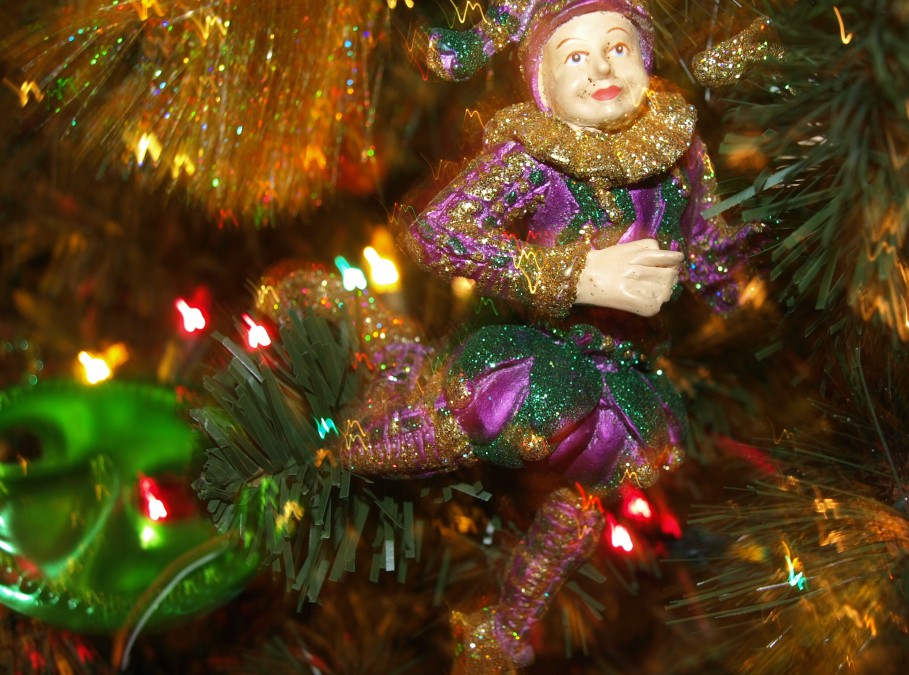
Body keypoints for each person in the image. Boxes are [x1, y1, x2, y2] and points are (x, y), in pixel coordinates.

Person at [328, 2, 779, 670]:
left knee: (596, 486)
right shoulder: (536, 156)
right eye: (575, 56)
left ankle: (505, 626)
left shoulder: (679, 145)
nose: (601, 68)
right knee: (507, 401)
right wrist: (576, 275)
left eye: (618, 47)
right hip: (541, 346)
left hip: (624, 367)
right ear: (543, 79)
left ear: (645, 58)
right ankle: (366, 435)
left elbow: (708, 245)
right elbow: (437, 232)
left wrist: (752, 268)